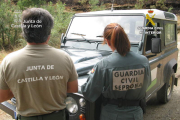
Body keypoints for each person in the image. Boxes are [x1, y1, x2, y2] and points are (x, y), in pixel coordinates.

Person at [0, 8, 78, 120]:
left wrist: (21, 88)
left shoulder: (9, 61)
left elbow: (2, 96)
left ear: (24, 33)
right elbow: (73, 88)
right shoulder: (64, 58)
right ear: (49, 33)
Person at [81, 23, 151, 120]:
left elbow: (89, 93)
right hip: (136, 114)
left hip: (111, 115)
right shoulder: (144, 61)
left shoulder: (103, 65)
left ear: (108, 42)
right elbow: (147, 84)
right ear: (126, 39)